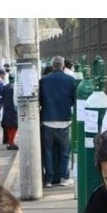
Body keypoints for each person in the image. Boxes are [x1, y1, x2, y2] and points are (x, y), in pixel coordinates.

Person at [38, 56, 76, 188]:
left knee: (48, 152)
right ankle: (63, 178)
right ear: (63, 66)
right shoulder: (71, 80)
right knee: (65, 152)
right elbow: (74, 100)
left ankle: (48, 180)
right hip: (65, 120)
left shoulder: (43, 81)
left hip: (48, 120)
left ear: (52, 66)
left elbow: (40, 101)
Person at [0, 74, 18, 150]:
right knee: (14, 127)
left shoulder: (4, 87)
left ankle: (10, 142)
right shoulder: (15, 88)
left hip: (6, 109)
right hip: (14, 109)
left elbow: (2, 98)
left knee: (9, 127)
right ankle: (11, 143)